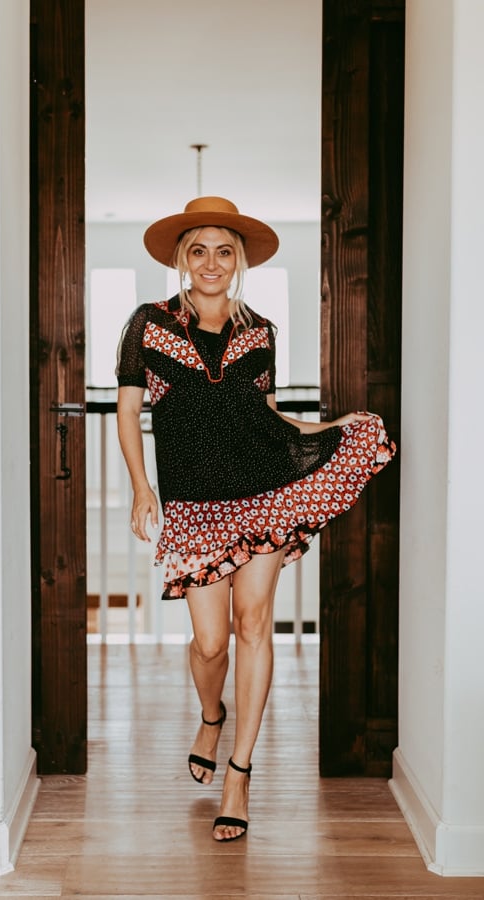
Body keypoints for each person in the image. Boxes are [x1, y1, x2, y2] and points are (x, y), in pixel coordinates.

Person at [115, 196, 396, 842]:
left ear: (237, 260)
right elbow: (130, 412)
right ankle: (210, 714)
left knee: (252, 624)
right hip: (194, 503)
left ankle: (239, 772)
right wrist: (140, 488)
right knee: (209, 642)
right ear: (183, 259)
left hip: (264, 491)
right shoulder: (148, 324)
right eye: (198, 251)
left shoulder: (260, 330)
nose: (211, 263)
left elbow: (268, 417)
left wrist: (332, 427)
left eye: (223, 251)